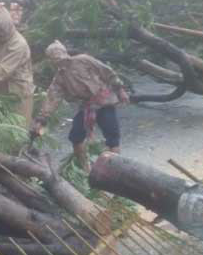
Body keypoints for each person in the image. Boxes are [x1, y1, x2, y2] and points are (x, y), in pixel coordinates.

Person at [31, 40, 130, 172]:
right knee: (76, 137)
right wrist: (42, 119)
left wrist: (120, 90)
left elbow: (107, 72)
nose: (60, 63)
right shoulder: (60, 78)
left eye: (61, 59)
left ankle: (115, 171)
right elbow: (52, 98)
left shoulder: (84, 60)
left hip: (105, 102)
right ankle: (86, 169)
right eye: (56, 61)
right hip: (87, 107)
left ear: (65, 54)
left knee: (113, 138)